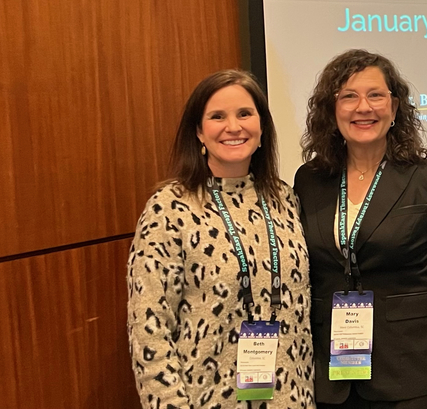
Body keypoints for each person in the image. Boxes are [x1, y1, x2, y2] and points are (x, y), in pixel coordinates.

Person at [295, 49, 427, 409]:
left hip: (413, 371)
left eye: (375, 95)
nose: (363, 107)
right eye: (348, 96)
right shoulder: (310, 180)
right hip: (332, 375)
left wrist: (414, 313)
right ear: (331, 109)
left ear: (395, 108)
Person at [127, 70, 315, 409]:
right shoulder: (170, 208)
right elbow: (148, 330)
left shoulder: (283, 199)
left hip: (292, 399)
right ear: (199, 131)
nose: (233, 127)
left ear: (261, 127)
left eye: (245, 114)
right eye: (217, 116)